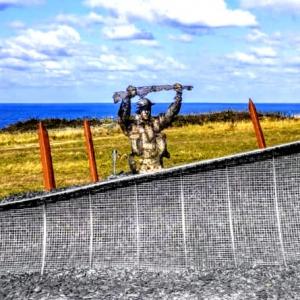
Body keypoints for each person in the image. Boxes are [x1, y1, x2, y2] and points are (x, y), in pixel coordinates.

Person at [118, 83, 183, 174]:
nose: (146, 112)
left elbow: (170, 114)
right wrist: (127, 99)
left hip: (157, 165)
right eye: (143, 109)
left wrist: (178, 97)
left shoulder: (155, 123)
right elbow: (122, 119)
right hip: (139, 168)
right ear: (139, 110)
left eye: (148, 109)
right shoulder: (133, 127)